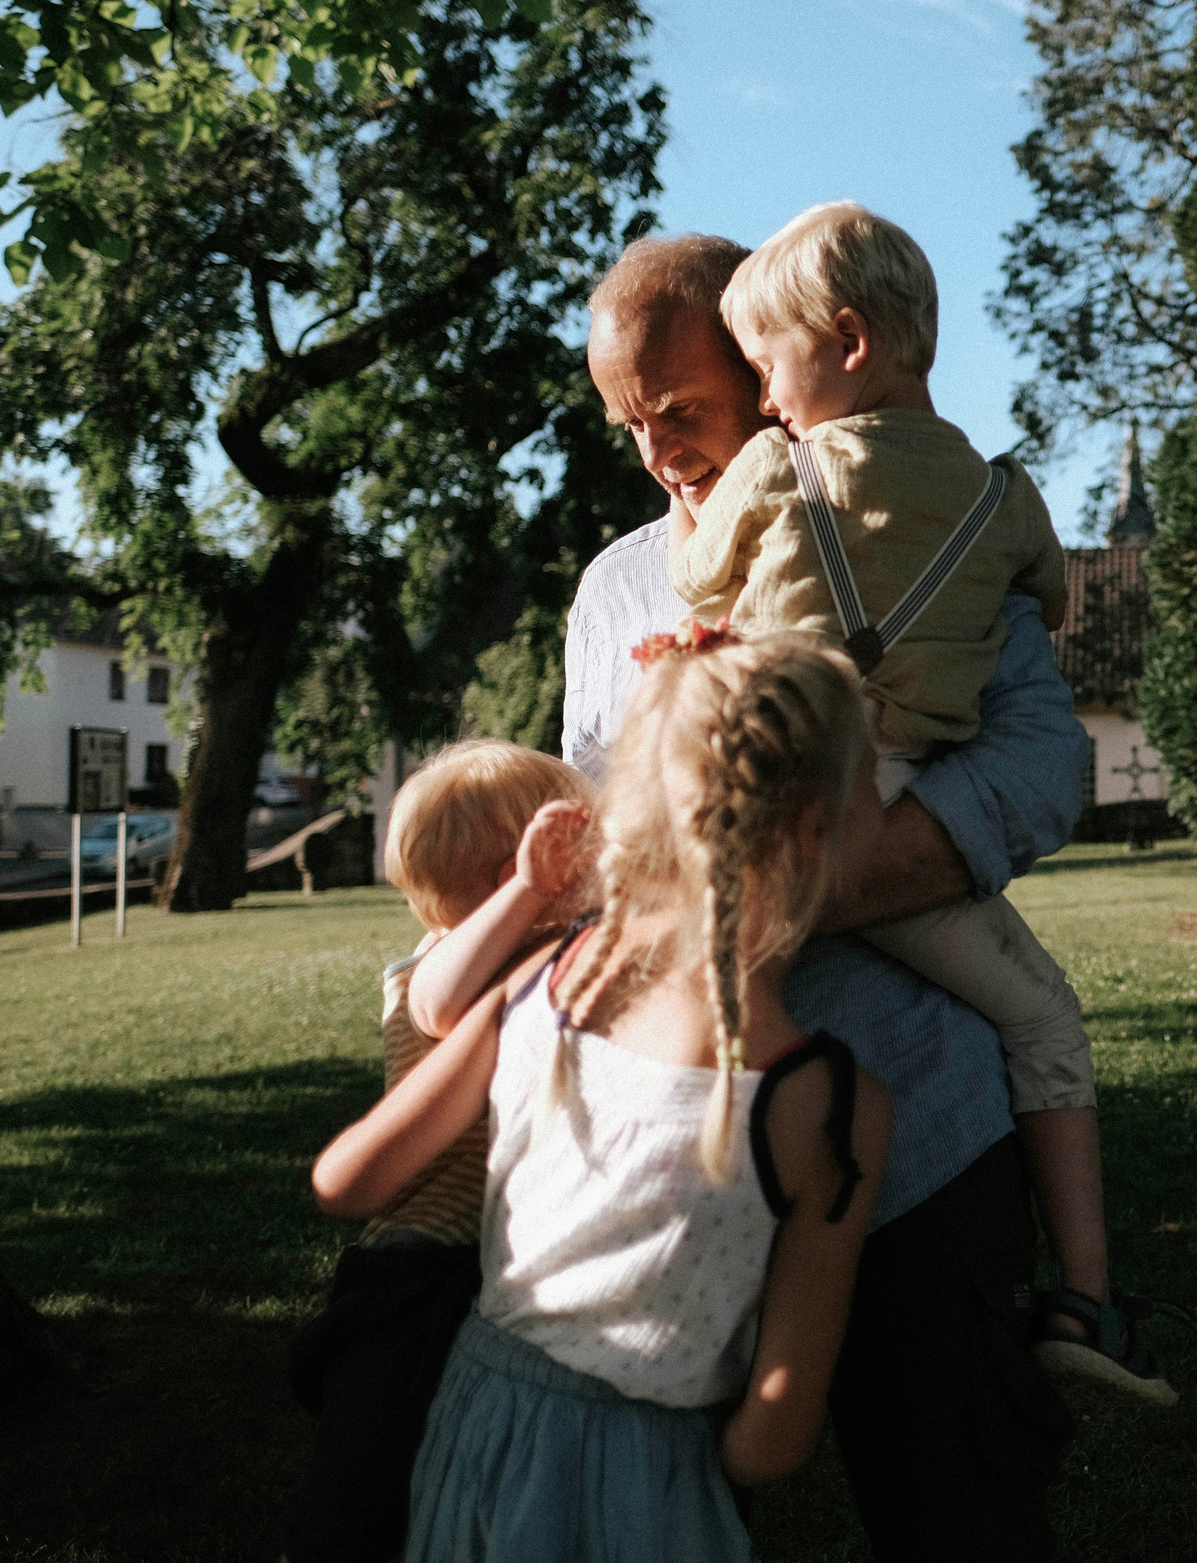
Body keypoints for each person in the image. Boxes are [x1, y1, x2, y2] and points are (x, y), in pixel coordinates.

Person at [560, 232, 1117, 1557]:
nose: (656, 453)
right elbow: (595, 817)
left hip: (928, 1130)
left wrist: (813, 887)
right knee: (673, 1509)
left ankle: (1089, 1305)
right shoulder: (615, 588)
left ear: (766, 374)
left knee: (959, 1502)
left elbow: (1043, 759)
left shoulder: (930, 508)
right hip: (698, 1146)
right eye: (626, 425)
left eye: (681, 409)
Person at [663, 201, 1159, 1407]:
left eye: (767, 363)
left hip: (768, 788)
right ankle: (1084, 1297)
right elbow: (1048, 605)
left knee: (713, 1028)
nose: (764, 397)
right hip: (893, 798)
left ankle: (686, 1267)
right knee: (1043, 1019)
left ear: (843, 340)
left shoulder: (775, 465)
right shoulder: (1001, 495)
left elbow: (691, 573)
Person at [311, 629, 896, 1563]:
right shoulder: (829, 1103)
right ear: (816, 829)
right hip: (650, 1489)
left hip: (473, 1437)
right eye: (875, 785)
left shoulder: (544, 983)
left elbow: (346, 1181)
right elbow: (771, 1441)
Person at [281, 740, 596, 1563]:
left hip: (495, 1269)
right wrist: (534, 892)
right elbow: (441, 1002)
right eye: (579, 850)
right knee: (370, 1491)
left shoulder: (549, 956)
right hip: (419, 1273)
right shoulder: (429, 968)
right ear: (514, 875)